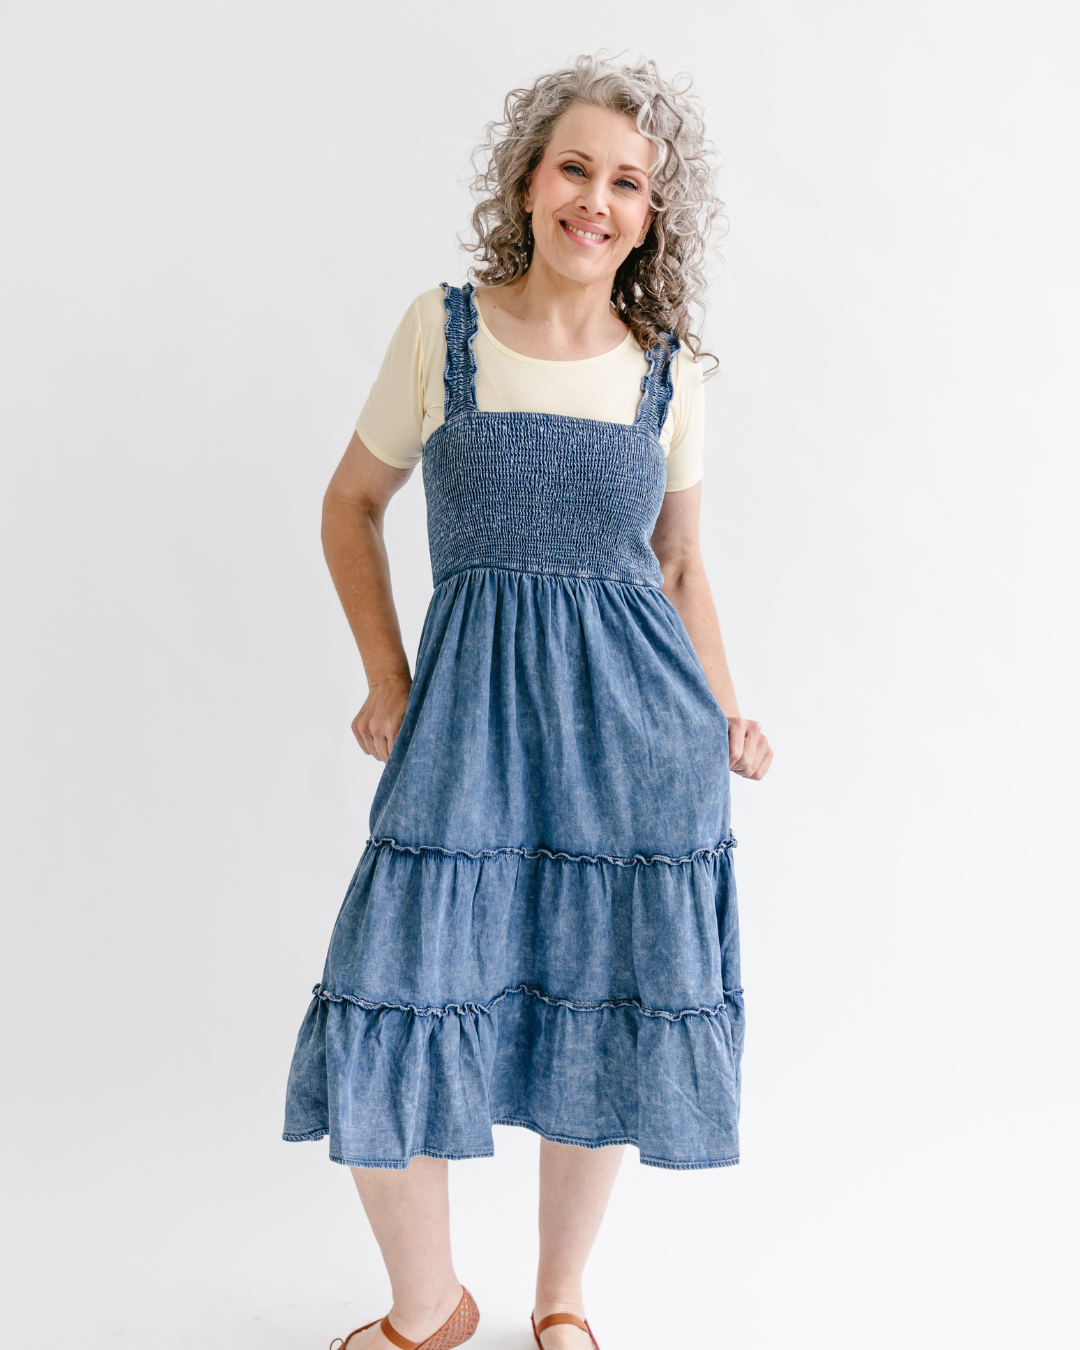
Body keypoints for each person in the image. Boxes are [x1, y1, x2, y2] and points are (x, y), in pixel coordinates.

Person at [284, 54, 773, 1350]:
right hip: (467, 730)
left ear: (651, 217)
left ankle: (562, 1299)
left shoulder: (667, 371)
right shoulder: (441, 331)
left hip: (635, 736)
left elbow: (680, 567)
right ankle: (429, 1306)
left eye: (628, 183)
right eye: (575, 168)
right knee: (391, 983)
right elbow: (350, 505)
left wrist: (725, 714)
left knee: (596, 993)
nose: (596, 199)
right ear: (528, 181)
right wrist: (387, 678)